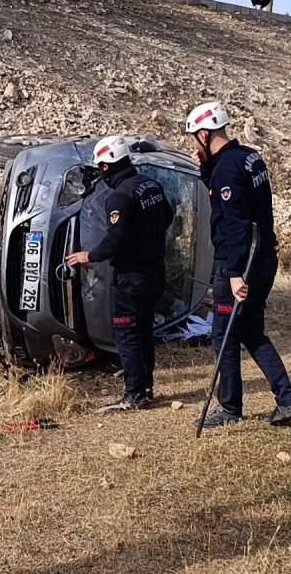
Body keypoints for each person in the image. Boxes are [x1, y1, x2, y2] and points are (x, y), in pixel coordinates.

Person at [186, 102, 291, 429]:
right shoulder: (248, 157)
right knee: (251, 331)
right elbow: (229, 196)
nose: (195, 145)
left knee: (223, 335)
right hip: (264, 257)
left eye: (195, 139)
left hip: (239, 264)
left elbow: (236, 223)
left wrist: (235, 274)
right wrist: (206, 166)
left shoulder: (226, 169)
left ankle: (230, 409)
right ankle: (287, 399)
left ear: (205, 134)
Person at [65, 136, 174, 411]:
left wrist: (89, 256)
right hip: (154, 274)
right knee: (144, 332)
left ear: (106, 166)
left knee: (126, 334)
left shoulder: (119, 196)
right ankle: (145, 388)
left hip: (130, 279)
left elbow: (115, 238)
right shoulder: (152, 186)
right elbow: (168, 218)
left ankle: (135, 394)